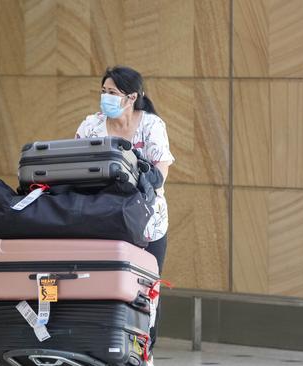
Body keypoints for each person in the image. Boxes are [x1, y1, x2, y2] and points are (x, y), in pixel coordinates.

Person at [75, 66, 174, 365]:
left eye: (112, 93)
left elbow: (160, 173)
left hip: (148, 225)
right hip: (104, 224)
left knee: (146, 294)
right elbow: (75, 169)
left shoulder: (152, 126)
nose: (105, 98)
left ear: (132, 97)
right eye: (103, 91)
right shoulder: (91, 126)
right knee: (104, 289)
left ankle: (144, 354)